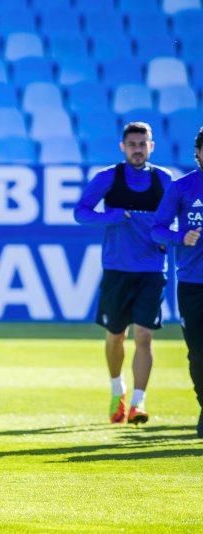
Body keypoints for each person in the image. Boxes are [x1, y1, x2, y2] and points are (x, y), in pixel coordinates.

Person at [74, 122, 172, 425]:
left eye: (143, 144)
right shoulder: (108, 178)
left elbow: (177, 219)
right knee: (116, 336)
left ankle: (138, 404)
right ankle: (118, 391)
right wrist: (111, 216)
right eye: (132, 144)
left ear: (151, 146)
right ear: (123, 147)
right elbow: (81, 212)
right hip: (117, 268)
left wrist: (170, 236)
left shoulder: (164, 180)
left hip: (152, 269)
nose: (138, 149)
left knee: (144, 336)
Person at [151, 127, 203, 438]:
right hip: (193, 282)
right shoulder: (183, 187)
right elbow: (158, 229)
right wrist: (180, 237)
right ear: (198, 152)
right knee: (197, 352)